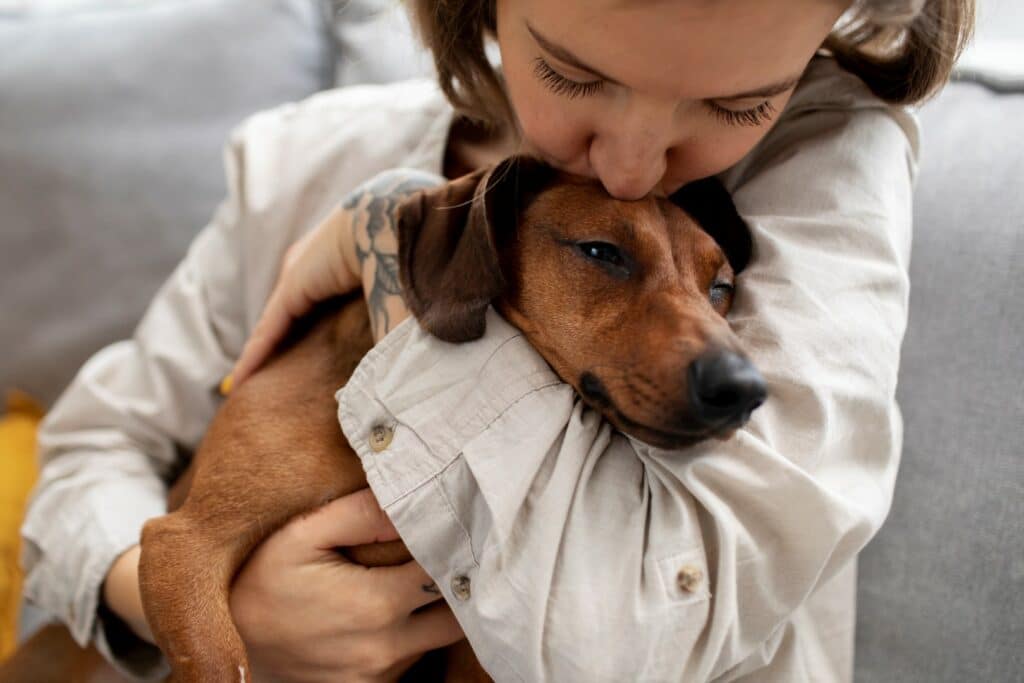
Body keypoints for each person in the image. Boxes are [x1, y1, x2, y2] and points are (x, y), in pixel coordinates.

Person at [22, 0, 975, 680]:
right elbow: (98, 444)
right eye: (574, 73)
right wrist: (188, 607)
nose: (635, 167)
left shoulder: (825, 171)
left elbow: (627, 643)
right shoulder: (292, 161)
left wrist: (389, 238)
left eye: (738, 104)